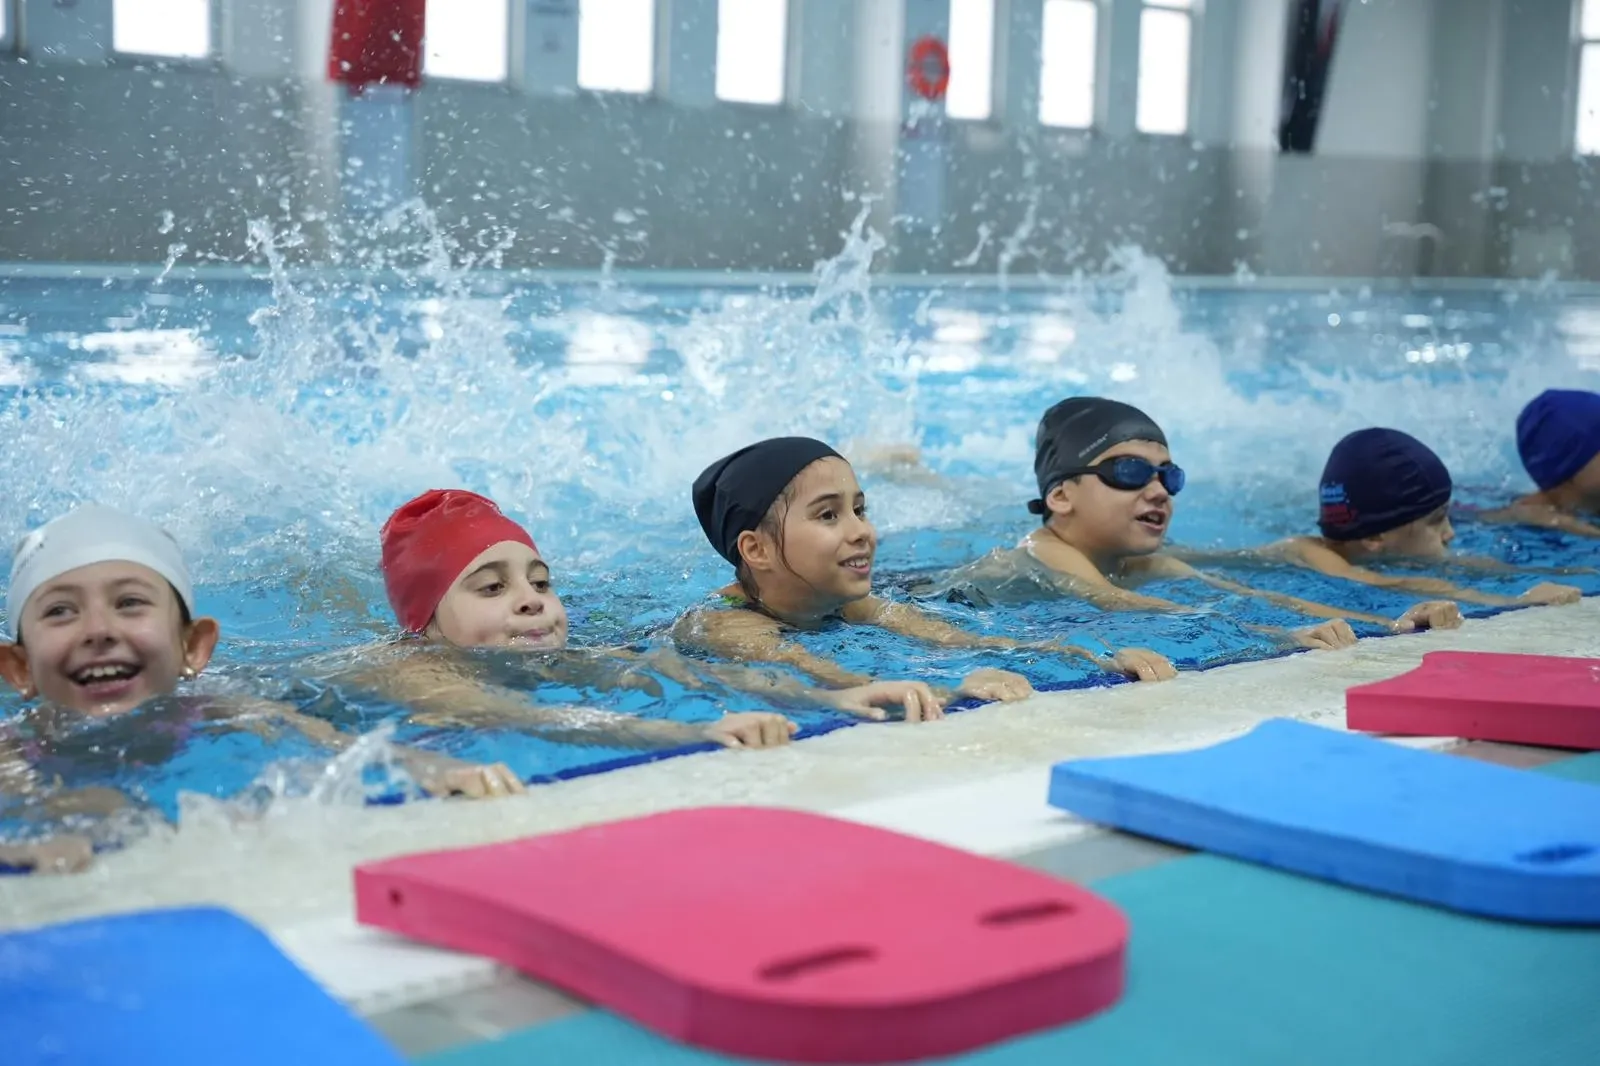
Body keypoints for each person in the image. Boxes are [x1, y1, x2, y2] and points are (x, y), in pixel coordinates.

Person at [677, 436, 1178, 721]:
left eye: (859, 510)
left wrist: (1096, 659)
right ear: (756, 549)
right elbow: (826, 678)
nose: (863, 532)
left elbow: (965, 639)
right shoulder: (729, 626)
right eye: (828, 516)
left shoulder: (846, 601)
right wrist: (951, 689)